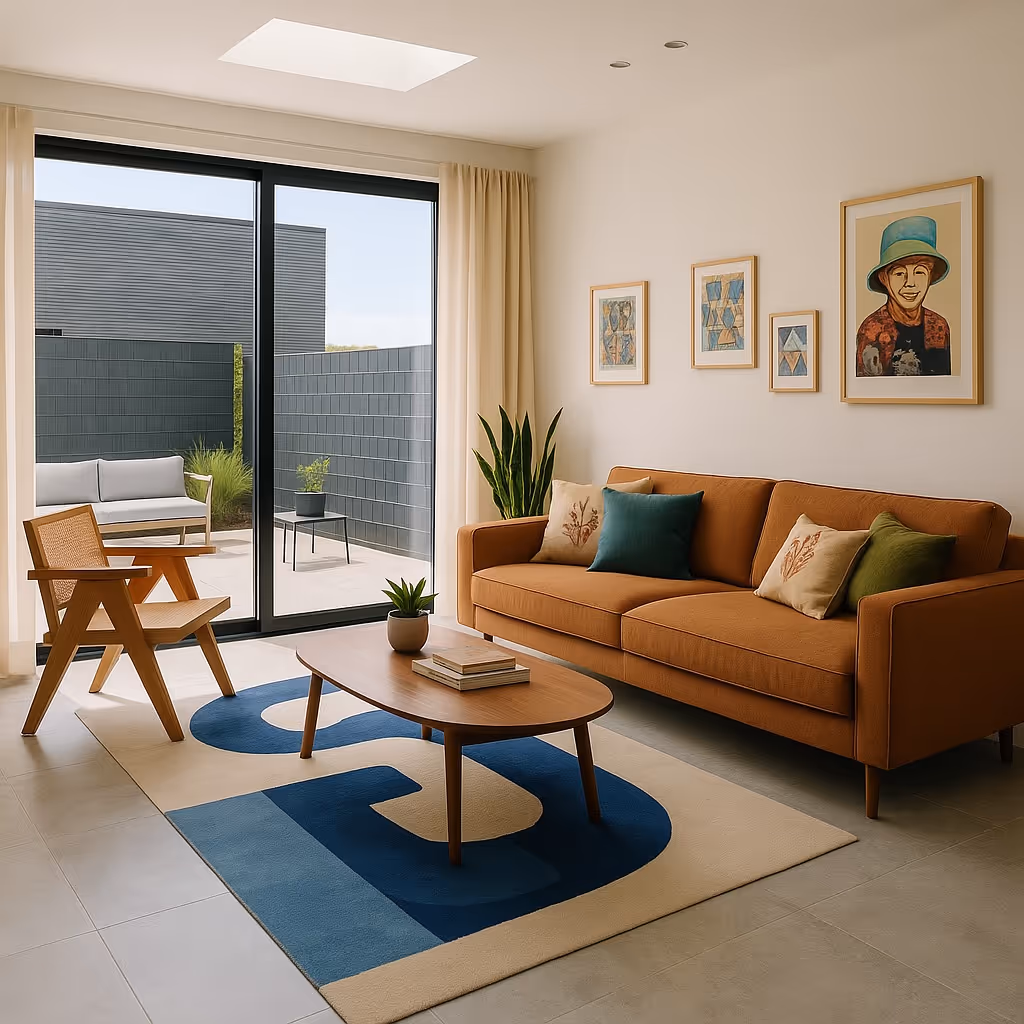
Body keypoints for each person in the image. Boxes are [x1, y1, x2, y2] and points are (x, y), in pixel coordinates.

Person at [856, 215, 951, 376]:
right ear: (884, 278)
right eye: (899, 273)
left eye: (920, 272)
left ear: (930, 276)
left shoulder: (939, 326)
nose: (910, 283)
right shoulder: (872, 331)